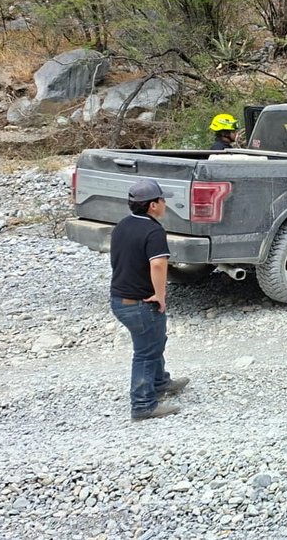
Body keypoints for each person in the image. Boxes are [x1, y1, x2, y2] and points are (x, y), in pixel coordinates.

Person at [110, 178, 189, 421]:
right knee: (146, 351)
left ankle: (160, 382)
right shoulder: (154, 231)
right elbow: (157, 264)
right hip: (140, 302)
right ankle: (143, 404)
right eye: (162, 199)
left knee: (154, 340)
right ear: (152, 205)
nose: (165, 203)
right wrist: (160, 295)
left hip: (119, 298)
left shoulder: (122, 225)